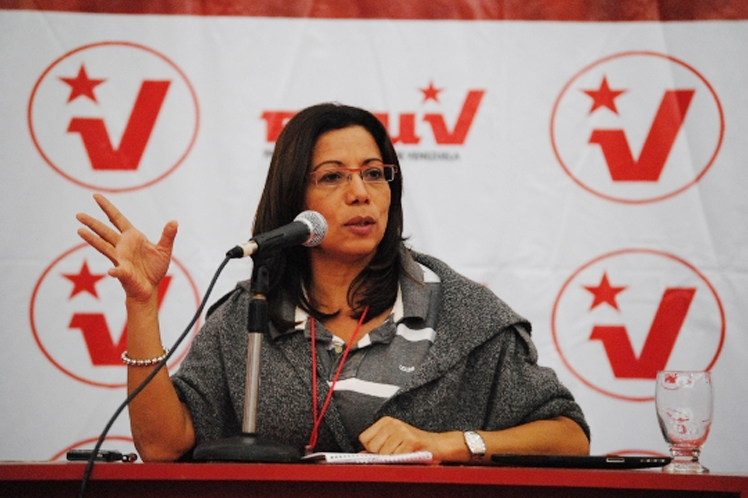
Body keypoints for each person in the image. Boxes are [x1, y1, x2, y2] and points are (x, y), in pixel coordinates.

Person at [77, 102, 590, 463]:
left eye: (374, 173)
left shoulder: (461, 311)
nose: (360, 193)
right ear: (293, 198)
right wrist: (142, 304)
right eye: (332, 176)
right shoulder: (251, 314)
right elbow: (163, 446)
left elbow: (569, 436)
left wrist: (451, 443)